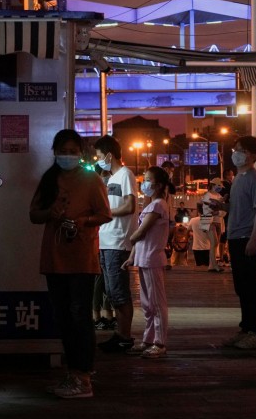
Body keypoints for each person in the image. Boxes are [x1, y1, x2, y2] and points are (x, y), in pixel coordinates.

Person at [30, 129, 111, 399]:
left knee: (79, 317)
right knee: (63, 318)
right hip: (54, 258)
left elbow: (104, 214)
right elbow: (33, 214)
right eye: (63, 150)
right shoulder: (49, 179)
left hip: (81, 258)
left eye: (72, 151)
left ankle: (84, 376)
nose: (67, 155)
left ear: (81, 153)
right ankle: (73, 373)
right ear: (55, 152)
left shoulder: (91, 180)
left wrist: (82, 222)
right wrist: (48, 213)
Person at [215, 136, 256, 350]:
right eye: (235, 149)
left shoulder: (255, 179)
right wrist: (222, 207)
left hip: (247, 239)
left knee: (252, 288)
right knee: (242, 287)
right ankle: (246, 329)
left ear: (253, 155)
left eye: (241, 150)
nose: (235, 153)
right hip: (236, 238)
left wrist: (254, 239)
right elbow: (239, 208)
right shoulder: (238, 178)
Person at [93, 135, 138, 354]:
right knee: (111, 291)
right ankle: (120, 334)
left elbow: (130, 206)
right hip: (106, 240)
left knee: (119, 292)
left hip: (118, 241)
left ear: (109, 155)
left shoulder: (125, 174)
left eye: (100, 156)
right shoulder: (111, 178)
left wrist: (106, 214)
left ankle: (124, 336)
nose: (98, 159)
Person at [123, 167, 174, 358]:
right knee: (147, 303)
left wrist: (128, 238)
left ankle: (159, 343)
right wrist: (131, 257)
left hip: (153, 258)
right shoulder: (151, 205)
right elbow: (140, 238)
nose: (144, 183)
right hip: (144, 259)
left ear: (159, 185)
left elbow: (140, 233)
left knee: (157, 302)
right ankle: (148, 339)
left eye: (148, 180)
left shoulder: (159, 205)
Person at [199, 178, 226, 272]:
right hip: (208, 220)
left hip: (218, 221)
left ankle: (211, 265)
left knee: (215, 243)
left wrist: (218, 212)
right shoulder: (207, 195)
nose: (219, 188)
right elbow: (207, 209)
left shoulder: (219, 196)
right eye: (218, 186)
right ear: (213, 185)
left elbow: (223, 211)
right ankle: (214, 265)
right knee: (214, 242)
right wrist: (217, 211)